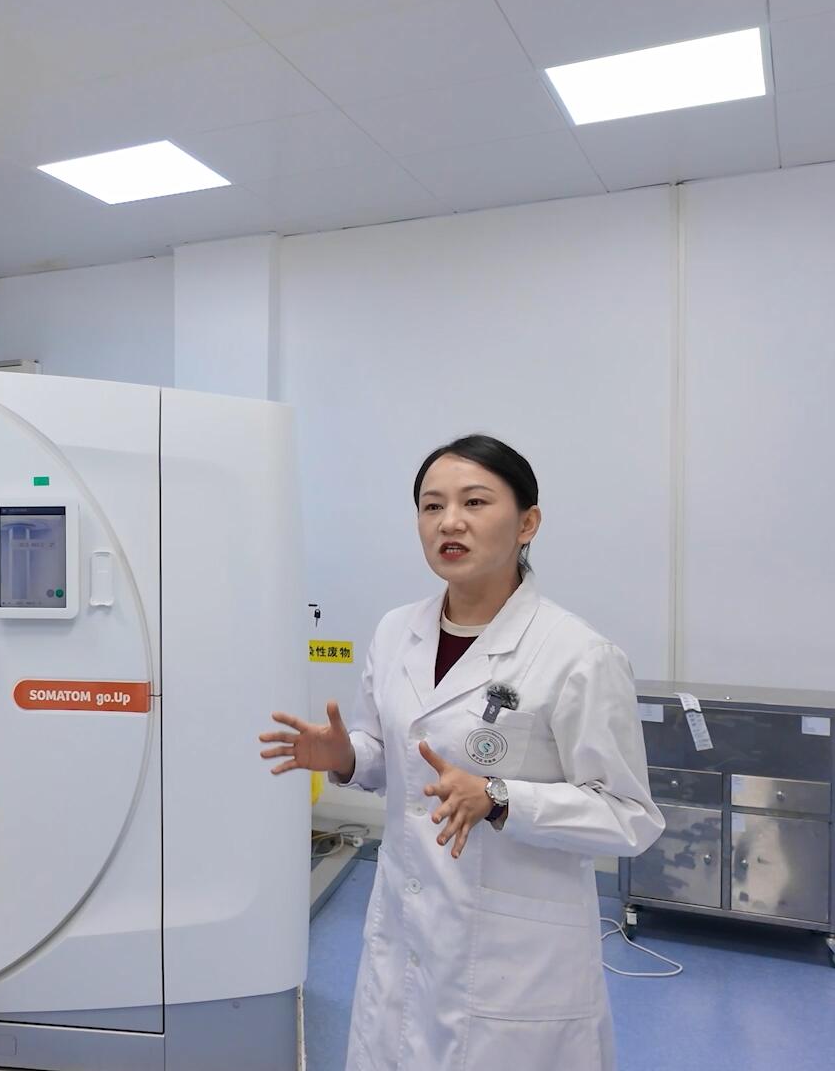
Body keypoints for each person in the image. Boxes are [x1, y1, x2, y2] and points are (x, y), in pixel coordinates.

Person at [260, 435, 662, 1070]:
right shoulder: (397, 631)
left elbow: (627, 815)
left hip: (514, 951)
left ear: (527, 523)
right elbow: (393, 757)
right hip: (406, 925)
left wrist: (500, 799)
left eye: (475, 502)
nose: (449, 522)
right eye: (431, 506)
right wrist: (345, 757)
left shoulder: (578, 654)